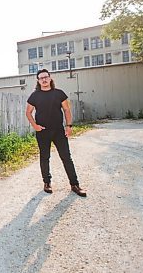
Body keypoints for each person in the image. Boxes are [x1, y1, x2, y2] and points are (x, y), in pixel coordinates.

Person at [25, 69, 86, 197]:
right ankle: (47, 183)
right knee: (44, 157)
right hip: (43, 132)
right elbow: (28, 112)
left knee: (66, 157)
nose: (44, 80)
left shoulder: (59, 93)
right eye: (41, 78)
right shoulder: (34, 96)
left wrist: (69, 126)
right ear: (38, 81)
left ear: (50, 78)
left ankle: (75, 185)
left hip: (59, 131)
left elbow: (67, 110)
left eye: (46, 77)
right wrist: (35, 126)